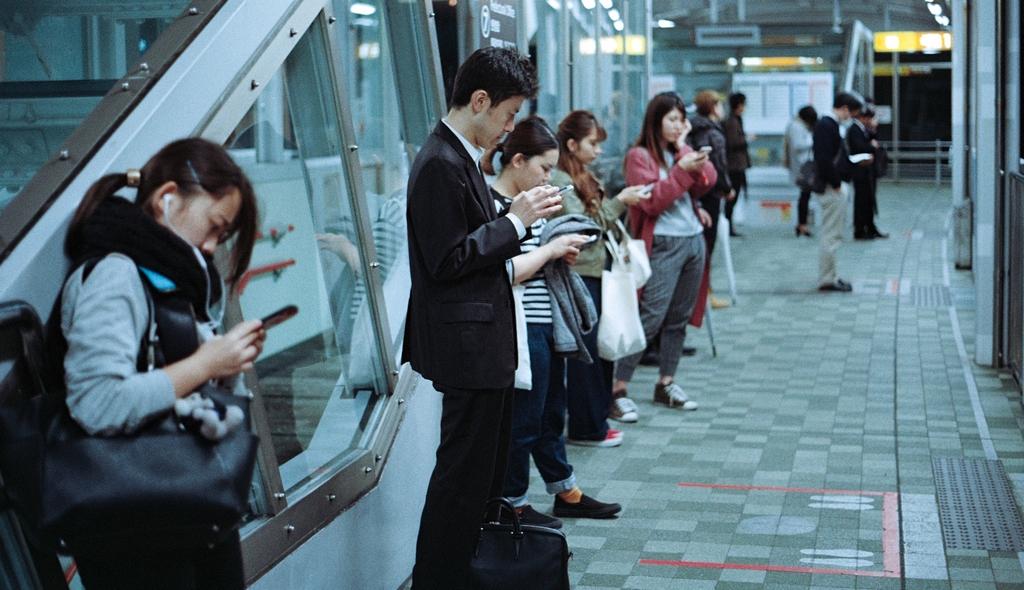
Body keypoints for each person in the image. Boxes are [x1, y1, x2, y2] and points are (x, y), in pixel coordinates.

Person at [61, 137, 262, 589]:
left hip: (178, 510)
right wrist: (207, 363)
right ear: (167, 198)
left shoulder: (163, 276)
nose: (211, 247)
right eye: (213, 226)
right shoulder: (116, 275)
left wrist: (222, 362)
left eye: (222, 237)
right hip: (137, 527)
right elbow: (97, 401)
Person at [403, 47, 562, 590]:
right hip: (467, 349)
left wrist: (513, 218)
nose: (510, 127)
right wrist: (514, 222)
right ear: (479, 101)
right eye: (509, 113)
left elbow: (468, 243)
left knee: (477, 483)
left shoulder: (456, 158)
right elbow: (446, 259)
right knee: (460, 484)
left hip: (482, 347)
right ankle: (438, 580)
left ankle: (461, 576)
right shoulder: (439, 163)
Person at [483, 116, 622, 527]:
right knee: (524, 420)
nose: (549, 176)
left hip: (545, 321)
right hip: (519, 325)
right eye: (544, 167)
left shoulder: (530, 202)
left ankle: (565, 489)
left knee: (549, 414)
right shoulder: (495, 205)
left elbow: (534, 261)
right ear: (518, 160)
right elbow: (501, 271)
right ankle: (514, 504)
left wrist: (560, 252)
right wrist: (551, 251)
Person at [613, 92, 716, 415]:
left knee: (679, 318)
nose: (677, 125)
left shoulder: (679, 151)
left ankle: (666, 382)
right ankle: (616, 387)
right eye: (671, 119)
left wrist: (684, 151)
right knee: (651, 316)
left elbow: (708, 181)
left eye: (681, 120)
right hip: (663, 244)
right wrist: (681, 170)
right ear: (655, 121)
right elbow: (652, 200)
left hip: (693, 241)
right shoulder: (639, 156)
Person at [551, 110, 649, 431]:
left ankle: (595, 419)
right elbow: (586, 226)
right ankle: (587, 424)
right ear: (572, 144)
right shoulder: (561, 180)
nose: (598, 150)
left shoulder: (580, 174)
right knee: (588, 353)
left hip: (595, 270)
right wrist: (621, 200)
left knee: (601, 347)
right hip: (579, 272)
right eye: (592, 143)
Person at [813, 91, 863, 292]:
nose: (849, 118)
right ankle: (827, 278)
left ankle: (830, 276)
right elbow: (824, 159)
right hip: (831, 187)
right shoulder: (827, 125)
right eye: (850, 114)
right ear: (843, 108)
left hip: (832, 185)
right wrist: (836, 183)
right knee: (831, 235)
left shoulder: (828, 125)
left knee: (832, 233)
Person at [687, 90, 733, 309]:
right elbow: (719, 164)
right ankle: (705, 294)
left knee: (701, 244)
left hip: (695, 192)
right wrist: (726, 187)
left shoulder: (693, 129)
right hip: (711, 192)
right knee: (708, 244)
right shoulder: (713, 132)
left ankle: (701, 293)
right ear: (714, 107)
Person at [849, 106, 887, 239]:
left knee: (869, 200)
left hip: (868, 170)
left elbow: (873, 139)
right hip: (860, 170)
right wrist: (871, 146)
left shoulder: (863, 129)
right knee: (861, 201)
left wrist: (873, 129)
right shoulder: (854, 129)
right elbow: (859, 147)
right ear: (863, 117)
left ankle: (870, 227)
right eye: (869, 118)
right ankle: (859, 229)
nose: (870, 121)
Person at [785, 105, 818, 237]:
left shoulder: (796, 125)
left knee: (805, 195)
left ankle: (802, 224)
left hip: (803, 165)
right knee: (804, 195)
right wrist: (812, 142)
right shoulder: (796, 127)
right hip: (802, 167)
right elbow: (798, 145)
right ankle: (802, 224)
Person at [723, 92, 751, 237]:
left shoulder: (736, 120)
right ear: (739, 105)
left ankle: (729, 226)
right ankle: (728, 227)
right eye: (743, 104)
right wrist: (746, 139)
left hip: (737, 165)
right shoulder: (732, 122)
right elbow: (733, 143)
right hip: (734, 166)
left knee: (734, 196)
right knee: (732, 197)